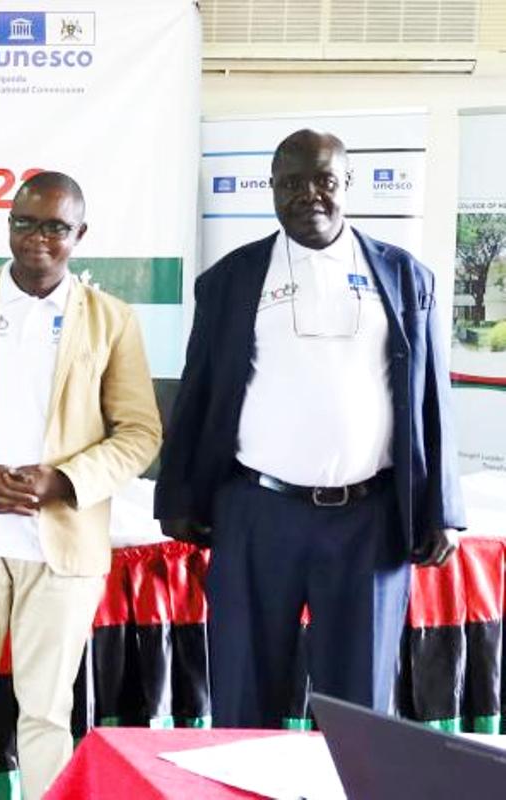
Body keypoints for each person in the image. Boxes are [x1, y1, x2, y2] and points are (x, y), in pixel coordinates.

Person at [156, 129, 463, 727]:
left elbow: (432, 400)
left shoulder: (404, 278)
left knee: (361, 708)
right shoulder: (230, 280)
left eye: (323, 179)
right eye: (291, 182)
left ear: (346, 184)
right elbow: (198, 394)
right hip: (256, 513)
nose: (309, 195)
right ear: (271, 189)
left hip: (369, 520)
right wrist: (179, 495)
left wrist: (440, 508)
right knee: (245, 693)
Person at [0, 172, 161, 799]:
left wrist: (65, 480)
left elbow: (139, 432)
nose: (37, 239)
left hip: (63, 545)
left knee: (46, 714)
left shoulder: (112, 320)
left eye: (55, 227)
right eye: (24, 223)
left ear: (80, 235)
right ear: (8, 223)